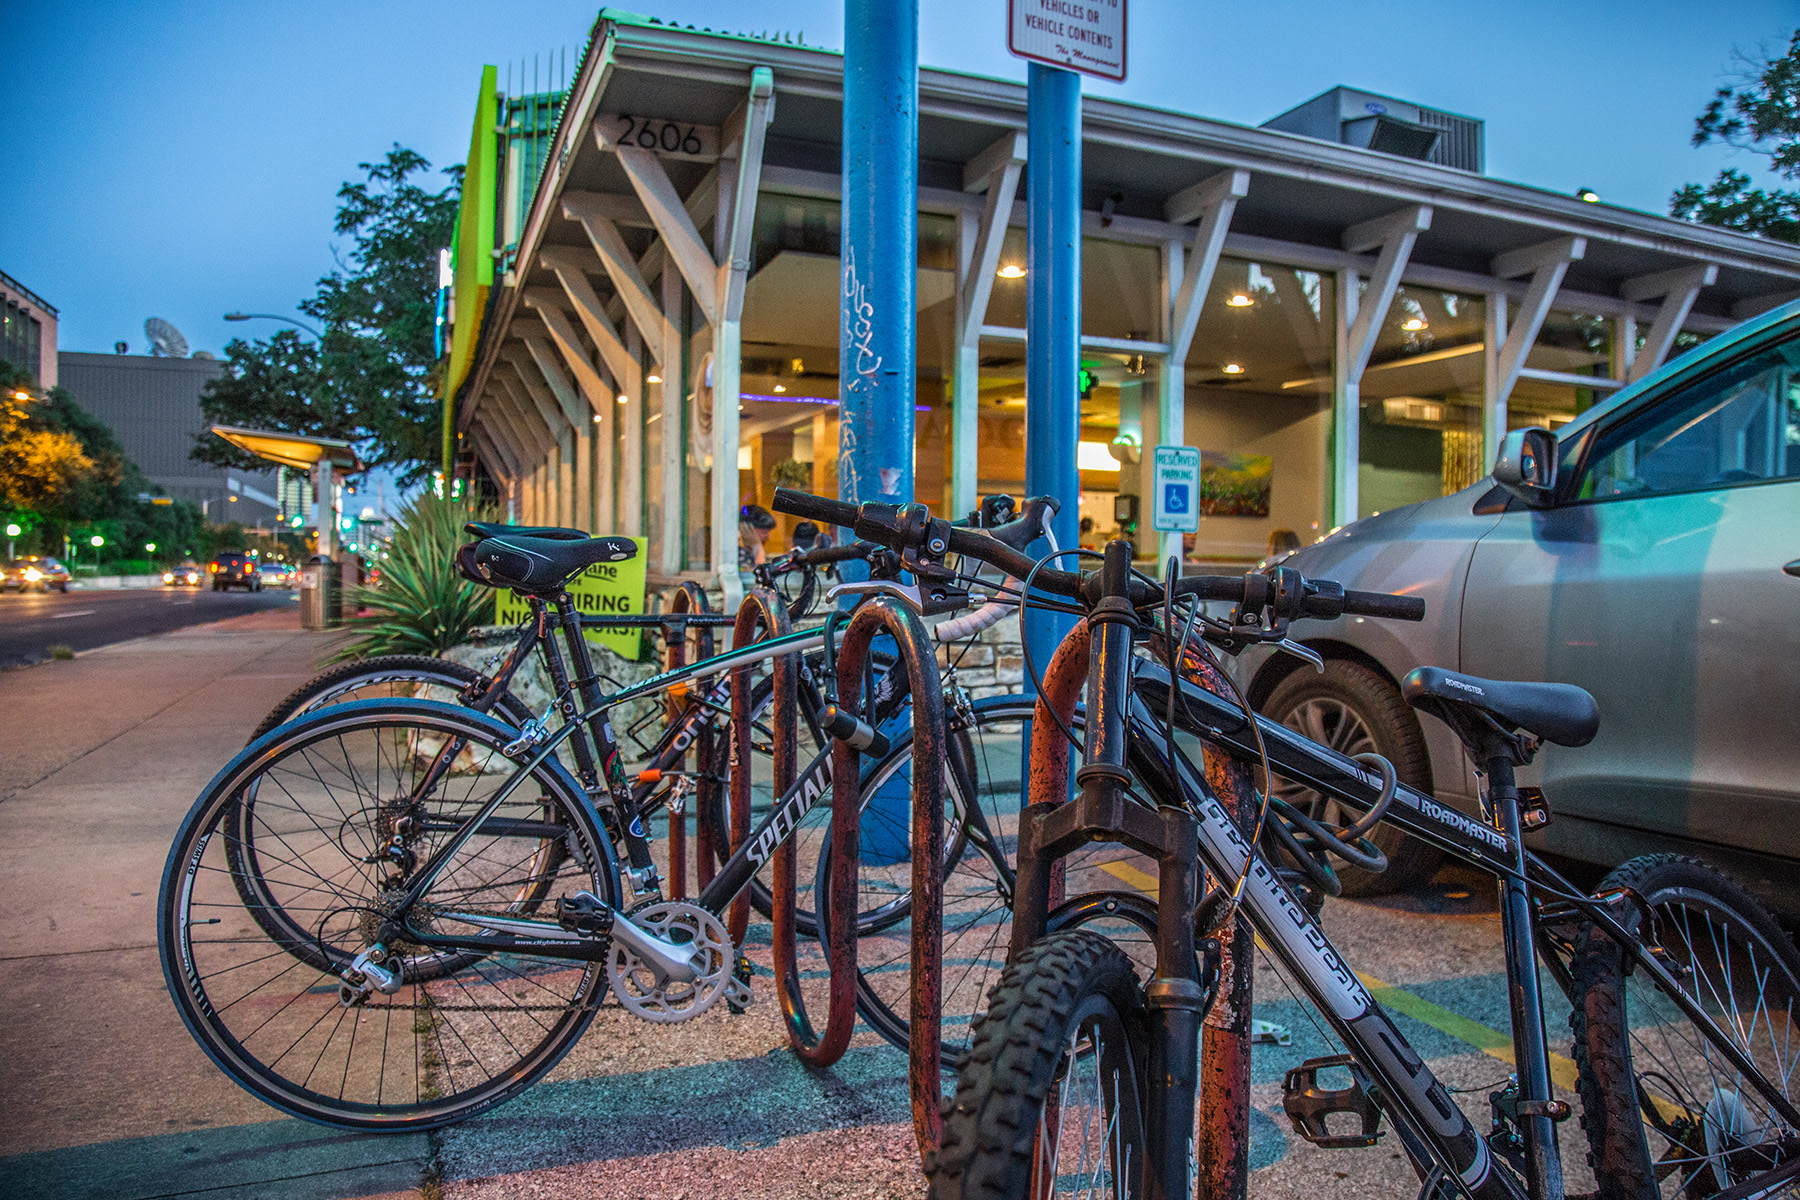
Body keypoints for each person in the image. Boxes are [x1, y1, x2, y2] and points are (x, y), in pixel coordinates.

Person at [738, 503, 776, 569]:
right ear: (747, 529)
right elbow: (761, 573)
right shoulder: (736, 554)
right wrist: (757, 547)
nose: (768, 537)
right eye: (764, 532)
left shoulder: (752, 553)